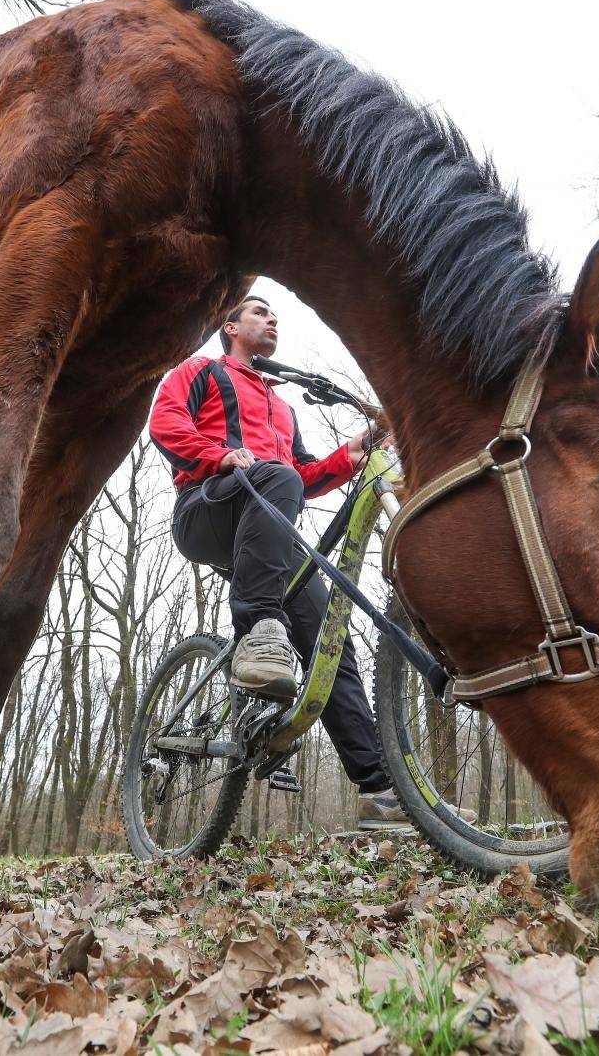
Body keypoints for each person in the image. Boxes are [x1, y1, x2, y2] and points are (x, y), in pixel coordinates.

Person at [148, 296, 419, 829]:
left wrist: (352, 453)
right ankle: (259, 632)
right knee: (277, 477)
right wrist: (218, 454)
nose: (272, 320)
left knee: (330, 644)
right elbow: (164, 422)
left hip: (268, 524)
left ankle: (380, 793)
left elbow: (303, 477)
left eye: (275, 316)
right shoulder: (201, 370)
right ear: (230, 327)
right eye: (259, 312)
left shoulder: (282, 406)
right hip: (207, 507)